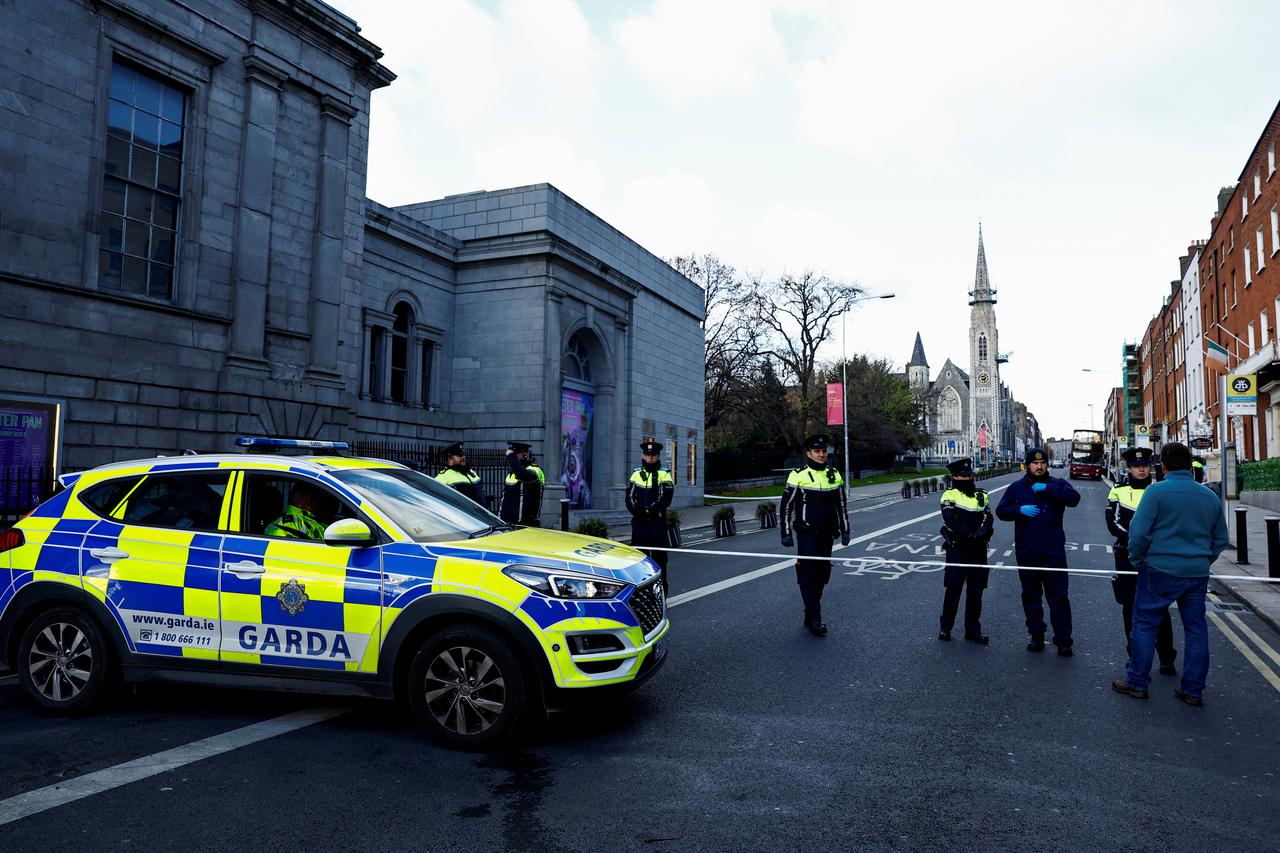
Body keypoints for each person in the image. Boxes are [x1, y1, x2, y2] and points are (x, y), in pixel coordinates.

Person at [1112, 442, 1228, 707]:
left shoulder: (1156, 492)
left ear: (1162, 467)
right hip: (1196, 574)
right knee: (1196, 629)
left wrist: (1138, 560)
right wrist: (1202, 561)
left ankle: (1137, 682)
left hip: (1159, 570)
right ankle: (1193, 689)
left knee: (1144, 624)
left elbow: (1138, 534)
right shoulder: (1209, 496)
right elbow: (1220, 539)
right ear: (1190, 466)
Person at [996, 447, 1081, 655]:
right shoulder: (1017, 488)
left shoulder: (1057, 484)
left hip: (1053, 550)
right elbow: (1001, 511)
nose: (1039, 466)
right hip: (1027, 550)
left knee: (1059, 596)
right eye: (1035, 463)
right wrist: (1018, 510)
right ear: (1028, 465)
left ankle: (1063, 640)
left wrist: (1048, 489)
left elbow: (1074, 499)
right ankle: (1036, 635)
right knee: (1031, 595)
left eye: (1042, 463)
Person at [1106, 447, 1177, 675]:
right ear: (1129, 468)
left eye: (1145, 465)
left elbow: (1167, 523)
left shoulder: (1160, 490)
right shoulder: (1119, 491)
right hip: (1126, 556)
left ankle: (1166, 657)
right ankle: (1135, 657)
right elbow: (1113, 523)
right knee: (1130, 608)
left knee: (1160, 608)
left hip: (1156, 556)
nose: (1141, 469)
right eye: (1137, 466)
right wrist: (1133, 539)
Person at [779, 434, 850, 636]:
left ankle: (810, 611)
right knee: (807, 576)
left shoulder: (834, 474)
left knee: (822, 576)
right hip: (807, 534)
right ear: (808, 453)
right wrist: (785, 533)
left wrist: (846, 530)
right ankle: (815, 616)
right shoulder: (798, 475)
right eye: (816, 451)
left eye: (823, 451)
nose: (821, 455)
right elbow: (786, 507)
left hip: (827, 535)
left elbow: (842, 506)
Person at [938, 458, 994, 644]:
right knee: (953, 590)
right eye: (962, 475)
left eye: (968, 474)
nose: (965, 477)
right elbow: (950, 520)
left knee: (976, 592)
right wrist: (971, 535)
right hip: (958, 549)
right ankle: (945, 628)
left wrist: (982, 533)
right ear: (954, 476)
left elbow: (988, 516)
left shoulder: (982, 494)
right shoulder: (949, 495)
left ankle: (973, 631)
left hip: (978, 550)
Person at [626, 440, 675, 590]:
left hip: (656, 523)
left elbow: (665, 499)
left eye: (653, 455)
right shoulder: (636, 474)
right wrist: (637, 512)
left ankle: (661, 591)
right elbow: (629, 497)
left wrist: (648, 511)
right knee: (640, 559)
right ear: (643, 455)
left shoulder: (664, 474)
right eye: (648, 455)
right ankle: (642, 591)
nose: (650, 457)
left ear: (658, 456)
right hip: (639, 523)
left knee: (659, 559)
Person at [500, 441, 545, 526]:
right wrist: (500, 518)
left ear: (526, 454)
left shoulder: (535, 469)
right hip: (508, 524)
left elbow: (524, 475)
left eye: (516, 453)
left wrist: (511, 456)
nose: (514, 456)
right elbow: (504, 500)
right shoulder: (512, 473)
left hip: (526, 525)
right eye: (513, 453)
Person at [435, 442, 486, 506]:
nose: (463, 457)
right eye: (459, 455)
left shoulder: (471, 472)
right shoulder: (443, 477)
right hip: (460, 515)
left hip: (479, 514)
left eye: (463, 454)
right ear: (450, 460)